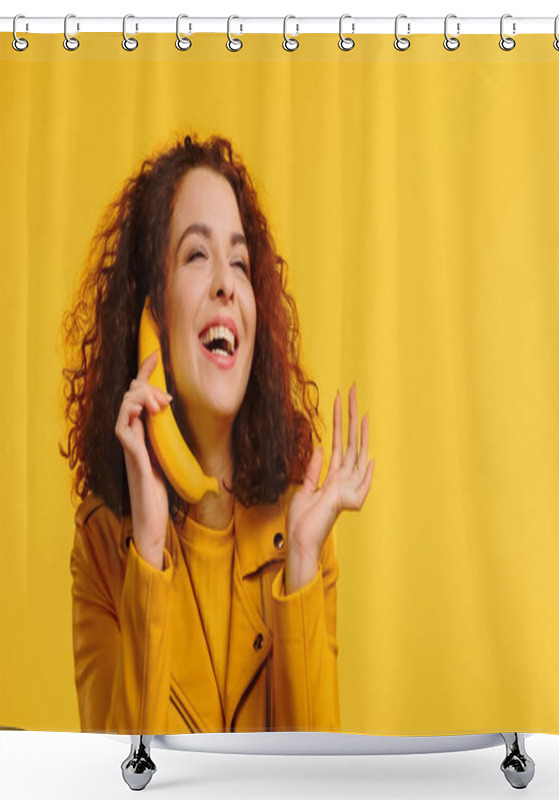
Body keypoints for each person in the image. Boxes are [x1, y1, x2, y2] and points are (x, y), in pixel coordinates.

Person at [60, 133, 375, 734]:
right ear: (151, 315)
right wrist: (148, 553)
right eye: (196, 256)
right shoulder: (103, 547)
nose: (227, 284)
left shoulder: (301, 526)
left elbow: (322, 784)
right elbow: (118, 784)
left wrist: (304, 564)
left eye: (240, 262)